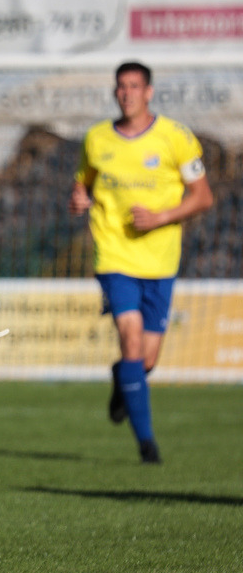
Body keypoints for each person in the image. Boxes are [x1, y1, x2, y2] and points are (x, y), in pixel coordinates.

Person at [69, 60, 213, 464]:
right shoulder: (97, 138)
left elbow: (203, 197)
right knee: (130, 339)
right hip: (114, 255)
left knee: (145, 359)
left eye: (134, 86)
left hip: (161, 261)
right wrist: (79, 199)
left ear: (149, 92)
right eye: (120, 86)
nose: (126, 93)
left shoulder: (176, 138)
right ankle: (147, 446)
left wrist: (161, 217)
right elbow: (84, 185)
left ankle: (123, 380)